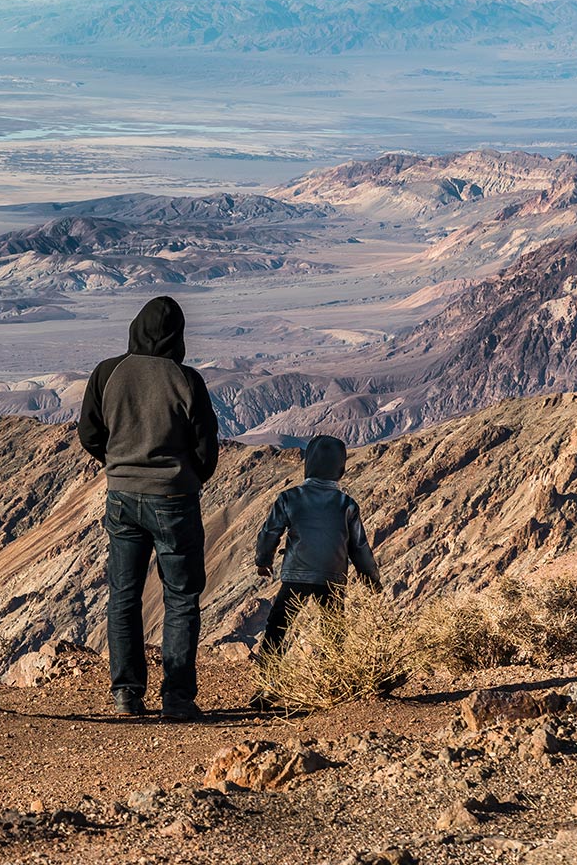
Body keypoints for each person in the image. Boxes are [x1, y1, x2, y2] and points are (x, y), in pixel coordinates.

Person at [78, 295, 220, 721]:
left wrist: (119, 464)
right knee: (181, 597)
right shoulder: (186, 379)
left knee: (124, 595)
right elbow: (206, 448)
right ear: (178, 335)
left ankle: (126, 693)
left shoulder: (108, 373)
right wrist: (186, 477)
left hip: (122, 498)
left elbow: (89, 432)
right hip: (175, 501)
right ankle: (176, 698)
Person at [254, 433, 381, 661]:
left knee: (278, 624)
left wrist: (263, 561)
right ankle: (333, 678)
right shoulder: (347, 505)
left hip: (297, 574)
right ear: (340, 469)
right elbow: (359, 547)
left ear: (308, 465)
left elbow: (270, 532)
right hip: (332, 576)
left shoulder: (289, 498)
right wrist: (371, 579)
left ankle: (267, 679)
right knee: (333, 629)